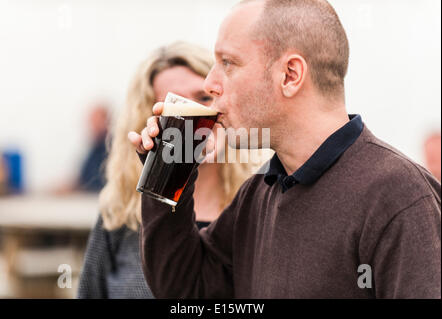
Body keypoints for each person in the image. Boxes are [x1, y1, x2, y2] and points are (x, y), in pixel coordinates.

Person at [129, 0, 441, 298]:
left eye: (228, 62)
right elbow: (187, 290)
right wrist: (169, 170)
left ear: (290, 75)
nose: (211, 83)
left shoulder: (400, 197)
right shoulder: (259, 192)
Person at [77, 42, 253, 298]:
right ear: (150, 120)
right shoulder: (119, 213)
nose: (193, 115)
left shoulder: (255, 208)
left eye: (204, 98)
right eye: (176, 105)